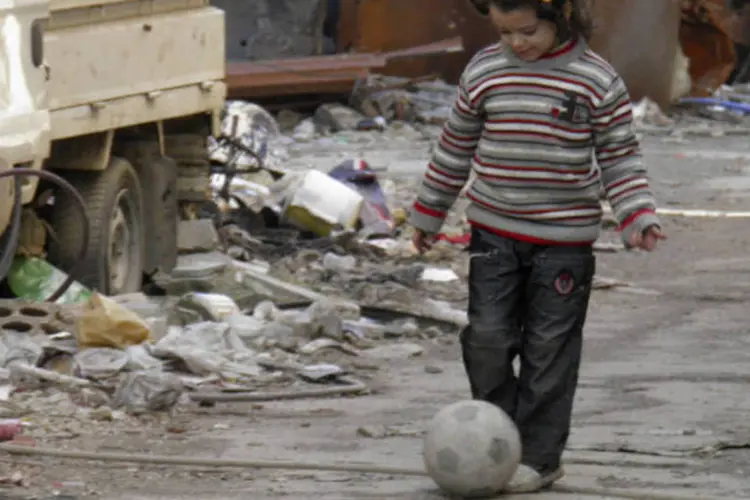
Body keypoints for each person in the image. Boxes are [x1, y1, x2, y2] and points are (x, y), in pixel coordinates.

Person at [408, 0, 665, 493]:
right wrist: (428, 213)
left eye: (526, 31)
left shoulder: (595, 79)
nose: (516, 43)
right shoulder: (485, 71)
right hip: (493, 235)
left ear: (561, 16)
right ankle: (498, 443)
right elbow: (455, 145)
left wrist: (637, 215)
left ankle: (542, 457)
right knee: (486, 339)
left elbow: (619, 156)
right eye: (504, 33)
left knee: (550, 351)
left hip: (563, 244)